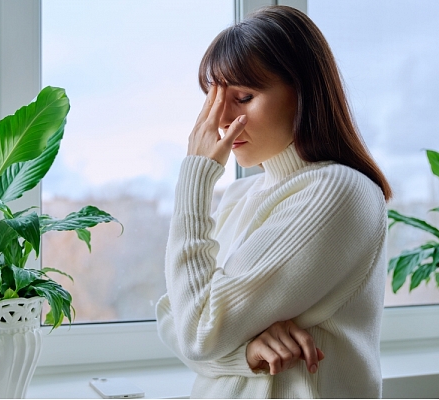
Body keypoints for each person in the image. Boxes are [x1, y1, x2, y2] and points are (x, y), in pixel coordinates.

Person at [156, 5, 391, 398]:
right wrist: (244, 353)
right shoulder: (239, 194)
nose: (221, 120)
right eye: (214, 99)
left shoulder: (338, 191)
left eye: (244, 97)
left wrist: (195, 178)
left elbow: (197, 331)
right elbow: (172, 317)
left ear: (303, 92)